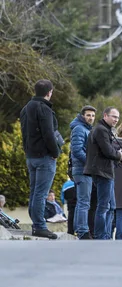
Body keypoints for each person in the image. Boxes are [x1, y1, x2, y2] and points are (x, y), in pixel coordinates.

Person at [20, 79, 62, 239]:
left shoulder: (26, 108)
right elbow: (48, 134)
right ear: (49, 92)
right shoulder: (44, 109)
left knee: (34, 191)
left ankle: (36, 224)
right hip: (45, 157)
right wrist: (55, 152)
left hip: (31, 156)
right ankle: (39, 226)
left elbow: (24, 134)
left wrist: (27, 151)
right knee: (41, 193)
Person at [83, 107, 122, 240]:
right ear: (105, 115)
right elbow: (107, 150)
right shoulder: (101, 130)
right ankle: (101, 236)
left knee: (111, 206)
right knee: (103, 206)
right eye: (113, 116)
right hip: (102, 172)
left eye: (118, 118)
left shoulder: (103, 130)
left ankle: (105, 235)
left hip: (105, 172)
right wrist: (119, 155)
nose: (116, 120)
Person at [70, 105, 97, 239]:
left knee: (82, 201)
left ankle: (79, 229)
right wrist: (90, 163)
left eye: (92, 115)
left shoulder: (86, 129)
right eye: (88, 115)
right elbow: (77, 150)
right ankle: (82, 231)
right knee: (84, 202)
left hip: (85, 170)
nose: (91, 118)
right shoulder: (79, 129)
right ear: (82, 116)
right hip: (82, 170)